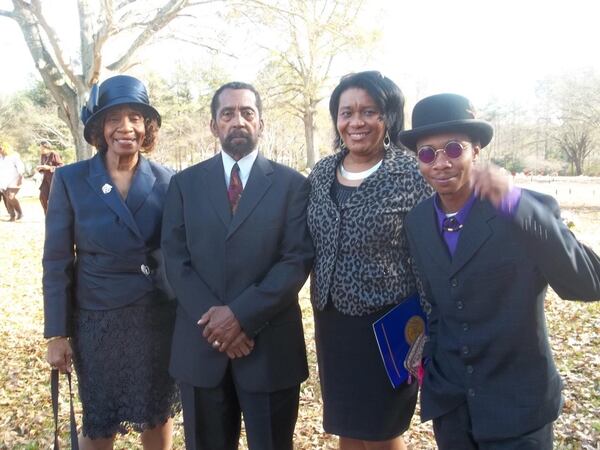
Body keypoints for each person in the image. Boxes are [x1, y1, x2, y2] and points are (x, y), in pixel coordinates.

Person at [399, 93, 600, 450]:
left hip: (518, 409)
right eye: (428, 154)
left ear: (476, 149)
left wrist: (514, 204)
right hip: (452, 407)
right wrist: (429, 360)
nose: (440, 163)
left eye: (453, 149)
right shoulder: (417, 223)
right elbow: (437, 305)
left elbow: (587, 282)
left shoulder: (525, 209)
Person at [161, 81, 313, 450]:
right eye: (227, 113)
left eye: (247, 112)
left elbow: (295, 259)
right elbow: (175, 259)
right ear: (214, 126)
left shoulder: (292, 185)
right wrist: (217, 326)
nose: (238, 120)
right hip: (201, 348)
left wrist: (240, 316)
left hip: (269, 348)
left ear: (261, 123)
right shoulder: (184, 184)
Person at [43, 75, 179, 450]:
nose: (126, 128)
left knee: (157, 412)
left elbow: (183, 253)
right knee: (99, 420)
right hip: (98, 320)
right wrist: (57, 333)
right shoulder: (70, 180)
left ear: (147, 127)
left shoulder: (169, 180)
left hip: (156, 317)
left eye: (136, 118)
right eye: (114, 118)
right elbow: (56, 261)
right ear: (99, 128)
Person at [307, 71, 433, 450]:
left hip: (390, 327)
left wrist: (431, 327)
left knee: (381, 430)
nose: (356, 122)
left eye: (369, 111)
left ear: (389, 117)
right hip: (333, 323)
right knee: (347, 425)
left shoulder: (412, 173)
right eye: (347, 112)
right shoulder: (322, 172)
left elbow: (429, 255)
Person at [36, 139, 63, 214]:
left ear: (46, 147)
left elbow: (61, 167)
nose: (40, 149)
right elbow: (44, 168)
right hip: (45, 180)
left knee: (55, 200)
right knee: (42, 197)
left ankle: (58, 215)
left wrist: (49, 168)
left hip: (54, 180)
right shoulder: (42, 155)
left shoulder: (54, 154)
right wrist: (40, 168)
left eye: (41, 148)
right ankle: (47, 215)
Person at [0, 142, 25, 221]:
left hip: (14, 180)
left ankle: (20, 213)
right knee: (7, 198)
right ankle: (12, 216)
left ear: (5, 148)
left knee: (11, 196)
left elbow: (20, 167)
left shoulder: (14, 156)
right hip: (3, 182)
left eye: (1, 148)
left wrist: (20, 178)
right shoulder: (0, 157)